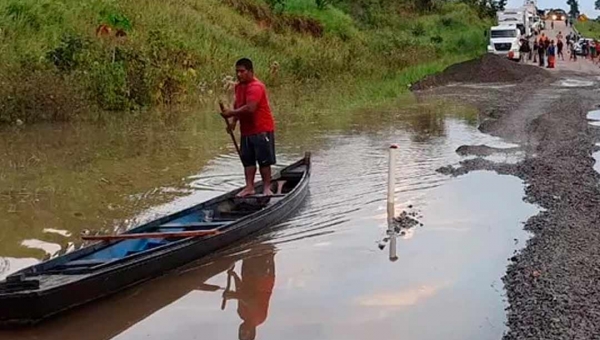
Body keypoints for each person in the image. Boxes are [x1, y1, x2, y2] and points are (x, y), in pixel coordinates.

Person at [221, 58, 276, 197]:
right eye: (237, 71)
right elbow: (238, 104)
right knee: (248, 160)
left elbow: (250, 108)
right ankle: (249, 187)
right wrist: (233, 122)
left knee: (264, 160)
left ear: (250, 71)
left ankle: (266, 188)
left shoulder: (256, 86)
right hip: (247, 130)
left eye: (242, 71)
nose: (239, 74)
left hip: (261, 129)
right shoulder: (239, 87)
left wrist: (231, 113)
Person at [222, 245, 276, 340]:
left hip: (248, 278)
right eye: (246, 334)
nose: (243, 331)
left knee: (247, 254)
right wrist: (233, 296)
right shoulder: (259, 318)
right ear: (252, 332)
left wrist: (234, 275)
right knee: (263, 252)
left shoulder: (241, 313)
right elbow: (250, 300)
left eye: (241, 333)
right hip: (263, 278)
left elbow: (240, 290)